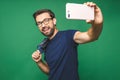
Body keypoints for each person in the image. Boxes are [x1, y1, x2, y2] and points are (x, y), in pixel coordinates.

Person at [32, 2, 103, 80]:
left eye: (46, 20)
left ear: (54, 21)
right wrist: (39, 61)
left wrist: (97, 23)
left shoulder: (68, 36)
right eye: (39, 23)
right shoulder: (45, 45)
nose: (43, 25)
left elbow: (91, 36)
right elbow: (50, 71)